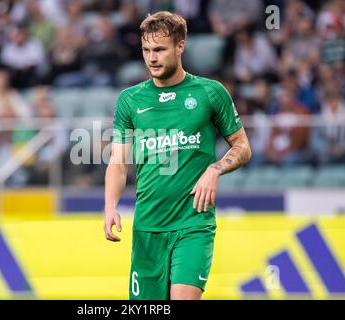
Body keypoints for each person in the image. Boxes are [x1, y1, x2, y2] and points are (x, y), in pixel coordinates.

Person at [103, 11, 251, 300]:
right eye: (146, 50)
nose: (151, 58)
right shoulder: (130, 100)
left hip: (193, 225)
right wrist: (110, 206)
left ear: (180, 47)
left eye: (159, 50)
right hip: (147, 228)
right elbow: (118, 162)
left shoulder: (210, 93)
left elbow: (242, 146)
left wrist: (215, 169)